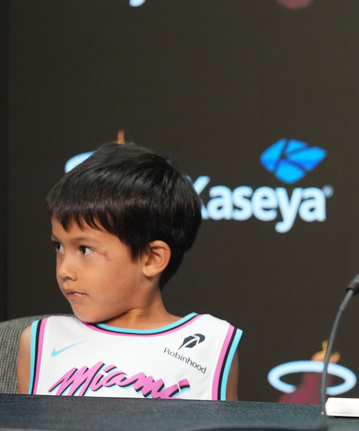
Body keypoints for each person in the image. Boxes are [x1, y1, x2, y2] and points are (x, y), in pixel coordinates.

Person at [16, 142, 242, 400]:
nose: (65, 269)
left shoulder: (210, 344)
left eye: (85, 249)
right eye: (59, 246)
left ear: (152, 258)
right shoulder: (40, 341)